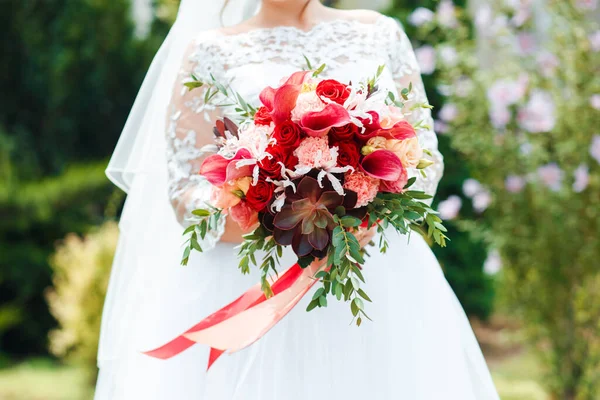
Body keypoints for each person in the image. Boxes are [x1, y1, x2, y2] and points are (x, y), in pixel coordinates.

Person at [96, 0, 500, 398]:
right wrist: (280, 214)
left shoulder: (379, 32)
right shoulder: (209, 51)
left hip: (379, 274)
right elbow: (187, 194)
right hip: (257, 280)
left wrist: (364, 214)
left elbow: (422, 157)